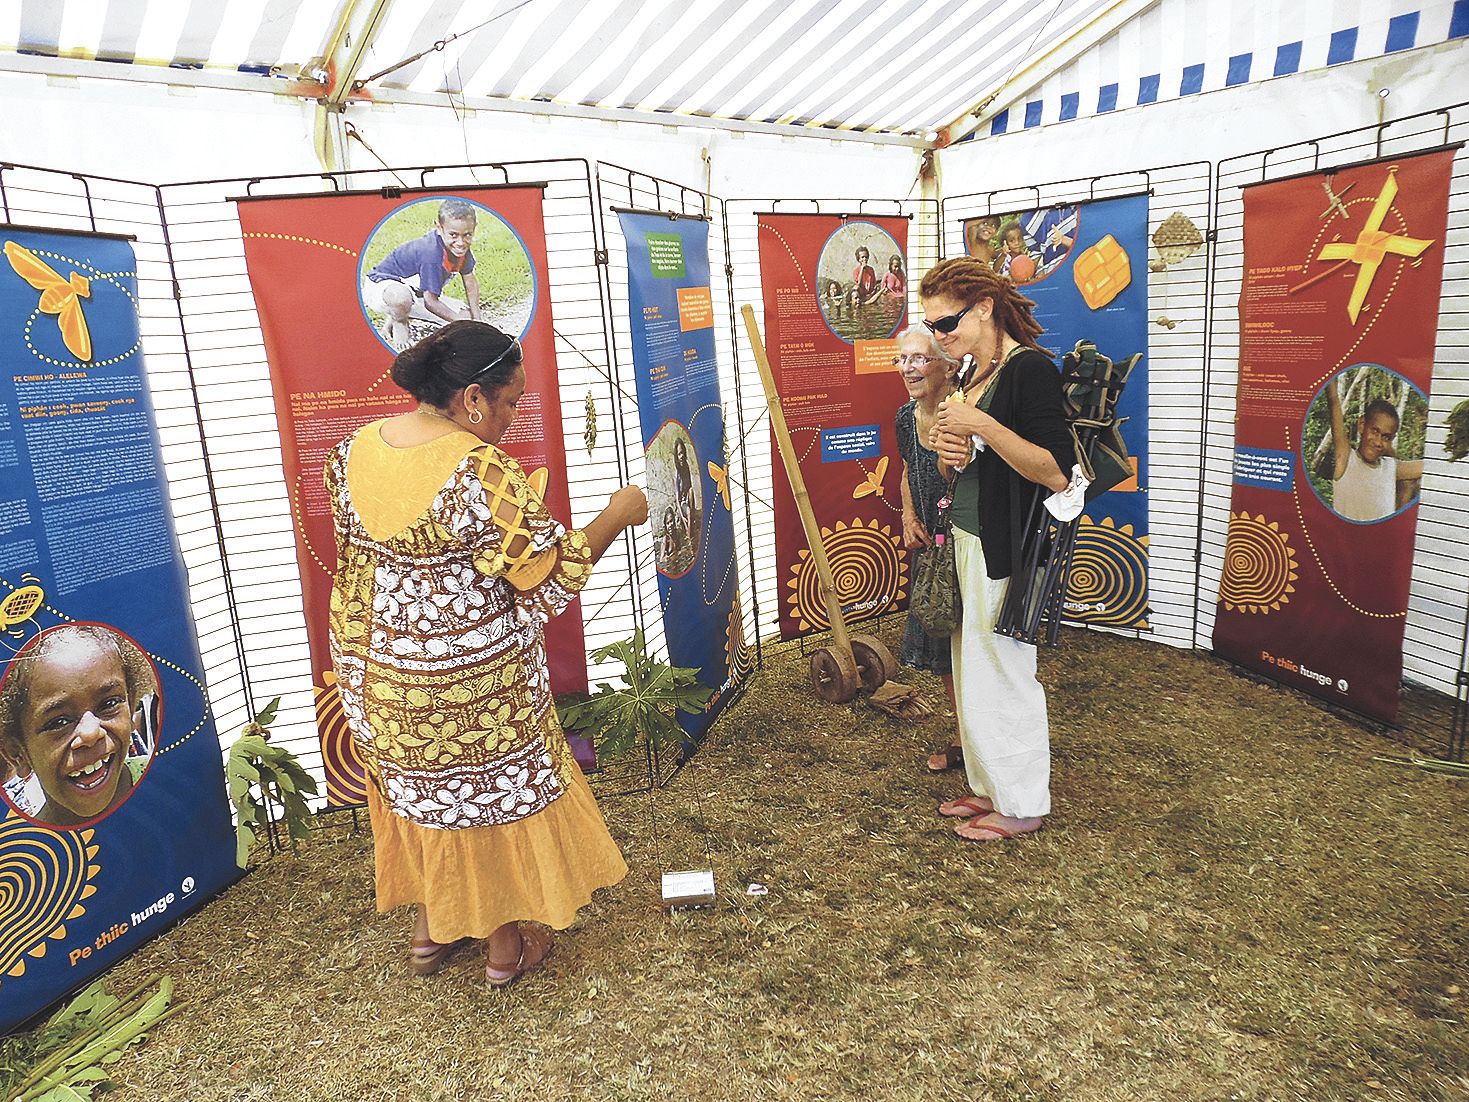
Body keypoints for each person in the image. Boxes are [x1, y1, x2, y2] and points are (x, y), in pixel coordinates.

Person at [324, 320, 648, 986]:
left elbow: (359, 554)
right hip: (466, 683)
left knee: (419, 792)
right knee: (479, 799)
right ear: (473, 398)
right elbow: (550, 576)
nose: (512, 414)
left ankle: (430, 929)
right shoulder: (479, 469)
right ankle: (505, 949)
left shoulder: (351, 450)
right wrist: (618, 512)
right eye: (509, 401)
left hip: (372, 672)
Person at [920, 258, 1073, 843]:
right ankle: (989, 784)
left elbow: (1057, 471)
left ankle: (1023, 800)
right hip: (967, 534)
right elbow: (959, 464)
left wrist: (980, 426)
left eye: (948, 321)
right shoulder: (970, 374)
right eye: (933, 326)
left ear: (985, 306)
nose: (940, 336)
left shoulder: (1029, 370)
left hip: (1007, 542)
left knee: (1005, 672)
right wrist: (948, 448)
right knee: (973, 668)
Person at [891, 326, 962, 773]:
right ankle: (963, 734)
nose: (908, 368)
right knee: (942, 645)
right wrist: (907, 514)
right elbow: (905, 468)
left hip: (964, 543)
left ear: (947, 366)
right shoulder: (904, 417)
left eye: (919, 358)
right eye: (903, 359)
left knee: (966, 644)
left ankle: (973, 739)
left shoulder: (963, 411)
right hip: (928, 544)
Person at [0, 624, 155, 827]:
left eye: (109, 704)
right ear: (17, 754)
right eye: (59, 722)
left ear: (131, 700)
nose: (91, 733)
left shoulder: (172, 782)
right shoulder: (25, 850)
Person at [362, 200, 483, 351]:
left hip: (415, 292)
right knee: (401, 297)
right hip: (381, 287)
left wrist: (477, 320)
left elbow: (470, 284)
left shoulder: (461, 249)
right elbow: (430, 302)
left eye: (467, 235)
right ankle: (399, 323)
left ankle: (394, 316)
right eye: (453, 235)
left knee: (466, 316)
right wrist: (459, 322)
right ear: (439, 227)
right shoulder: (431, 253)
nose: (460, 242)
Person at [1326, 382, 1422, 522]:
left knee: (1408, 484)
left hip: (1381, 540)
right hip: (1345, 540)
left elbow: (1431, 465)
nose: (1377, 441)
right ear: (1362, 425)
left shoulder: (1391, 467)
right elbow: (1333, 399)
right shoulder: (1346, 458)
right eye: (1375, 431)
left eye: (1386, 436)